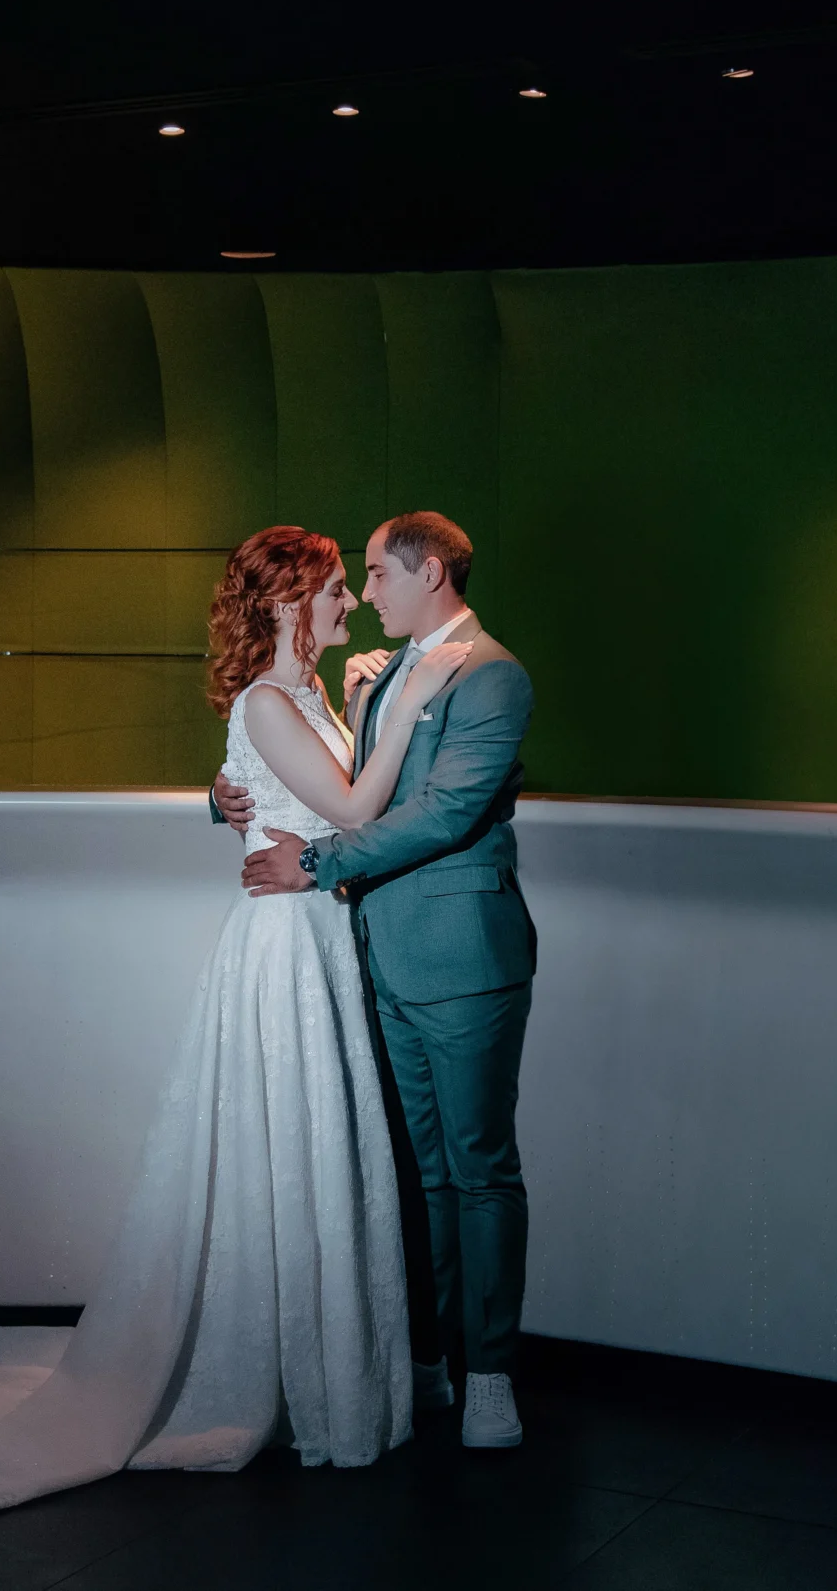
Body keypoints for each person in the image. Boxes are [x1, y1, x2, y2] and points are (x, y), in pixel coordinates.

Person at [0, 525, 470, 1510]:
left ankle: (318, 1364)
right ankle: (278, 1373)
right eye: (332, 587)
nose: (349, 601)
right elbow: (352, 810)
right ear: (287, 602)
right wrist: (409, 701)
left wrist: (347, 713)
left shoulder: (308, 692)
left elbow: (293, 795)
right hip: (283, 947)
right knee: (285, 1145)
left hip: (317, 935)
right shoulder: (267, 701)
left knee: (318, 1148)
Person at [221, 511, 539, 1452]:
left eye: (374, 574)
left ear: (428, 571)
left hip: (461, 956)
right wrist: (227, 793)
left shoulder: (492, 675)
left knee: (479, 1171)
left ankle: (491, 1378)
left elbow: (441, 814)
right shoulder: (374, 673)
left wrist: (314, 864)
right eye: (348, 580)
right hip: (368, 955)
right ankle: (429, 1359)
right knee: (414, 1173)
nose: (363, 595)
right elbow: (305, 765)